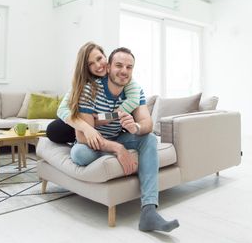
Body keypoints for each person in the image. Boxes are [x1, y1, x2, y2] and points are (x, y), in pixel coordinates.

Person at [71, 47, 179, 232]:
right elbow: (82, 135)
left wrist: (135, 127)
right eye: (119, 65)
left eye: (129, 67)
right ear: (108, 67)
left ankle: (149, 211)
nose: (124, 71)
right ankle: (116, 149)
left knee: (150, 139)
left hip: (119, 136)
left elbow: (147, 123)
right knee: (80, 154)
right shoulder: (90, 90)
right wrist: (118, 149)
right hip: (91, 142)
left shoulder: (134, 92)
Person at [46, 42, 142, 150]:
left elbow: (134, 100)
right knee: (53, 129)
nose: (98, 65)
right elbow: (62, 109)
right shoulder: (85, 84)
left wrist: (107, 117)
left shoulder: (122, 76)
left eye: (99, 58)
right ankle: (82, 139)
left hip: (108, 121)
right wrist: (87, 128)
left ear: (105, 57)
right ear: (85, 67)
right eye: (90, 63)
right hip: (84, 119)